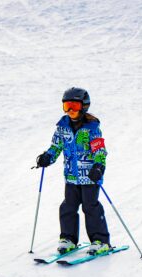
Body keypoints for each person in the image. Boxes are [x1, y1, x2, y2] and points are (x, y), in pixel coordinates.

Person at [36, 87, 110, 255]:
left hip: (90, 177)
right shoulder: (62, 127)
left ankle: (100, 241)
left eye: (74, 106)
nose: (70, 110)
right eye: (67, 106)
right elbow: (56, 146)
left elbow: (100, 150)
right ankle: (68, 239)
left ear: (83, 107)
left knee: (90, 207)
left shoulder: (92, 128)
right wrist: (47, 157)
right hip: (71, 176)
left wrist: (99, 166)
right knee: (68, 207)